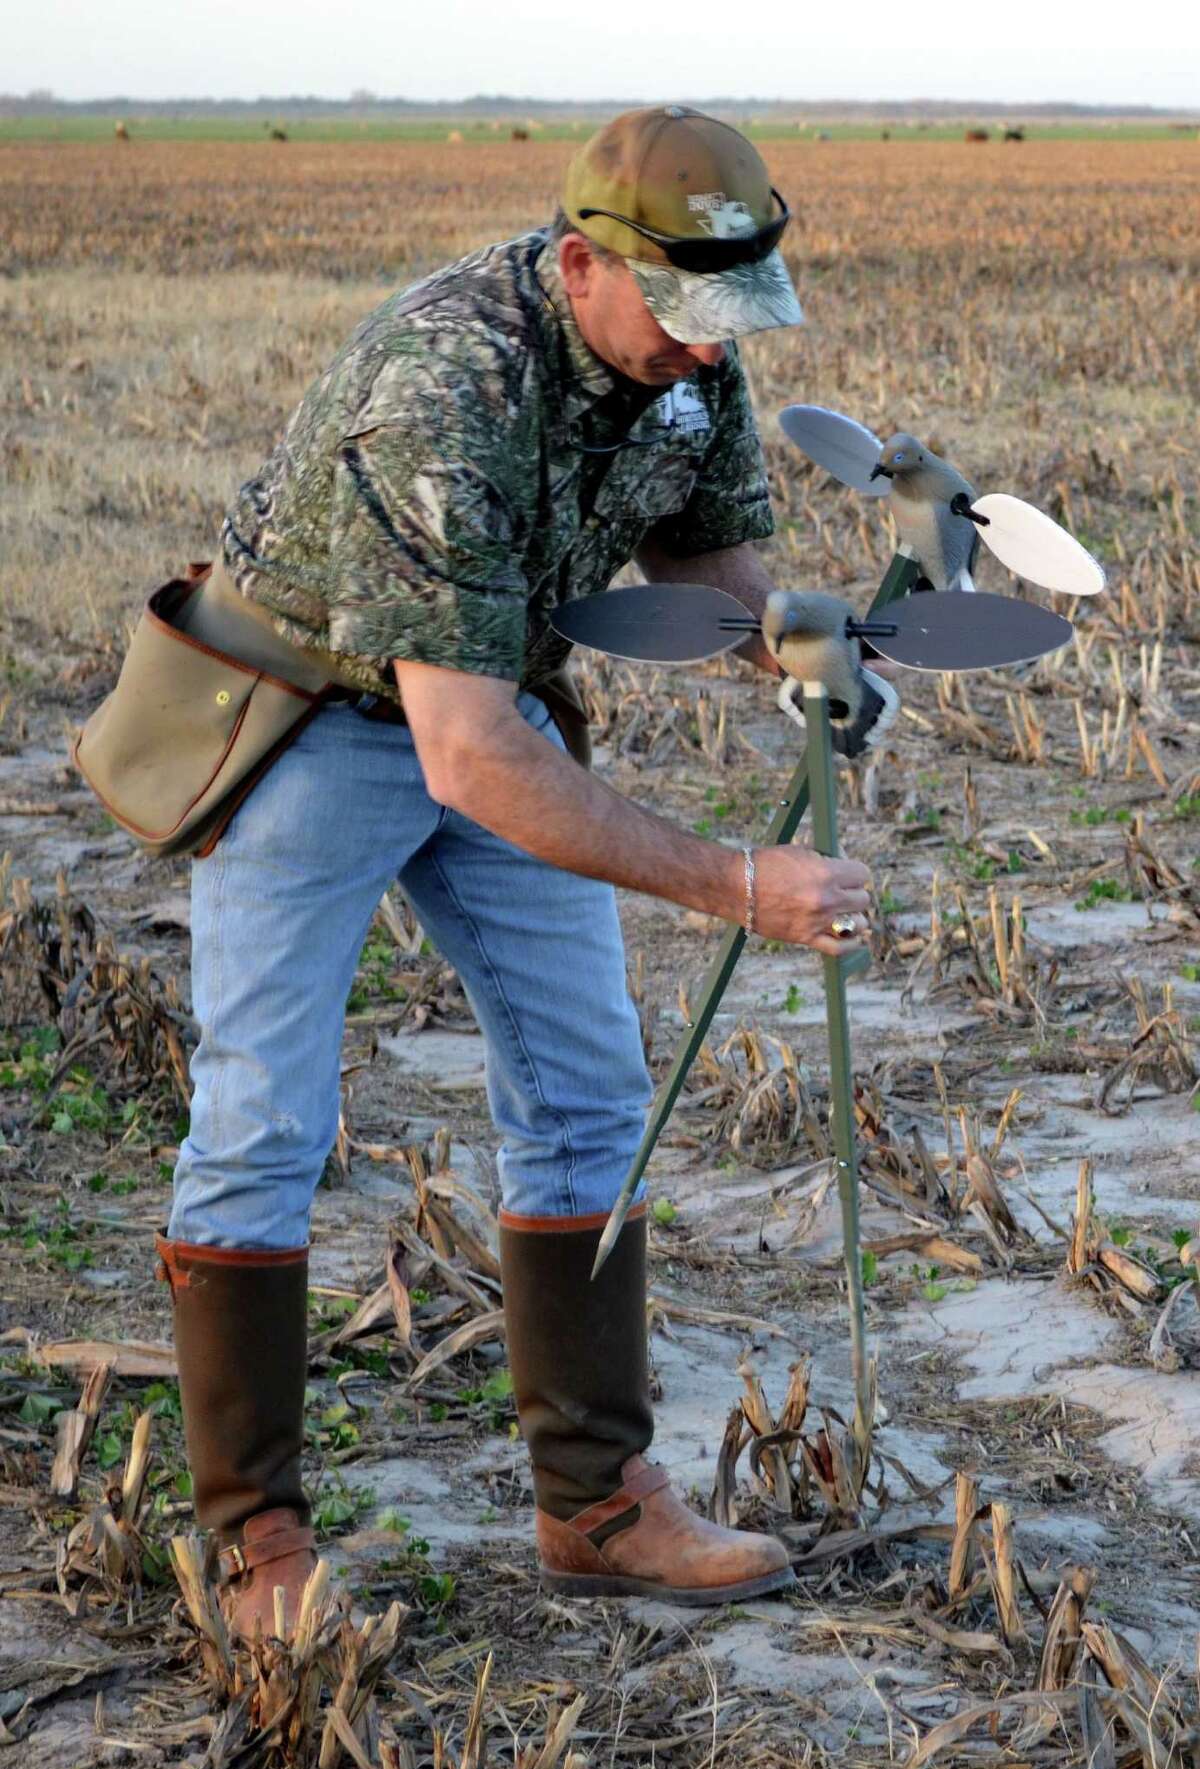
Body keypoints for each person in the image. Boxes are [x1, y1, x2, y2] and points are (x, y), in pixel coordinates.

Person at [153, 104, 875, 1636]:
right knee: (265, 1116)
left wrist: (791, 639)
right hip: (314, 712)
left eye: (727, 316)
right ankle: (255, 1540)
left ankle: (598, 1503)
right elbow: (470, 759)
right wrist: (741, 884)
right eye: (677, 312)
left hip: (493, 689)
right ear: (579, 264)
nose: (706, 347)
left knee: (590, 1088)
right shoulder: (448, 381)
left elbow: (700, 553)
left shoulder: (692, 360)